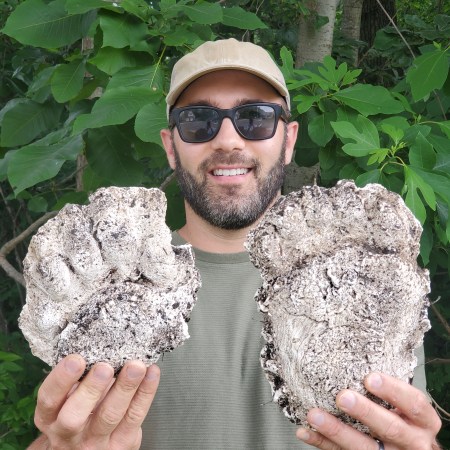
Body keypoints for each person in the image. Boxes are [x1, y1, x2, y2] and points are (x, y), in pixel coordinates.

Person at [29, 39, 442, 450]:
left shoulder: (369, 282)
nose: (227, 141)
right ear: (171, 146)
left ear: (289, 140)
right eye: (198, 121)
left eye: (255, 117)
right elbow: (66, 433)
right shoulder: (104, 289)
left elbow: (399, 433)